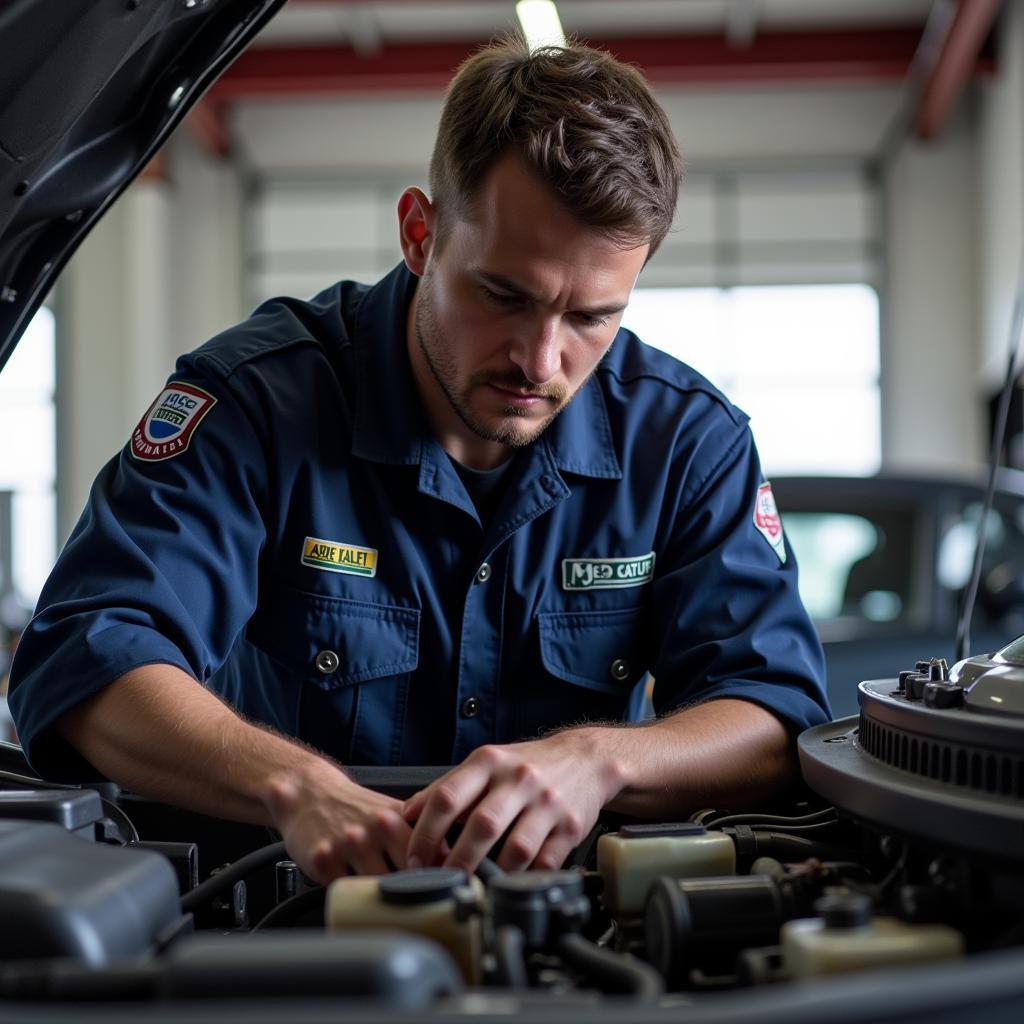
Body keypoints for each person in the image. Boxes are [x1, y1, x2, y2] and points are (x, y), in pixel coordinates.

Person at [8, 37, 829, 883]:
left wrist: (598, 760)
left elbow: (773, 712)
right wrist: (295, 788)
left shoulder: (687, 443)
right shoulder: (255, 404)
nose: (540, 361)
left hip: (578, 935)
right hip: (296, 927)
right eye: (505, 296)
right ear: (419, 233)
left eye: (591, 316)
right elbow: (89, 651)